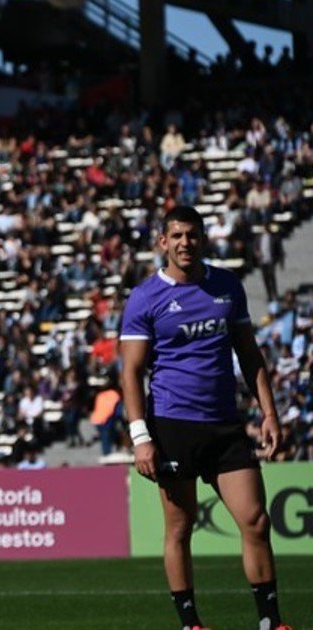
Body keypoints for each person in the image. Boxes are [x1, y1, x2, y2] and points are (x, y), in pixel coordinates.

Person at [119, 206, 290, 630]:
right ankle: (191, 624)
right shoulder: (145, 298)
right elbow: (131, 373)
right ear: (162, 242)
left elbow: (249, 354)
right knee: (180, 527)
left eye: (191, 235)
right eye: (175, 235)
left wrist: (269, 412)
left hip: (225, 424)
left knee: (256, 520)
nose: (184, 243)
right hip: (172, 425)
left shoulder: (227, 286)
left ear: (203, 239)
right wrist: (141, 437)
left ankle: (270, 623)